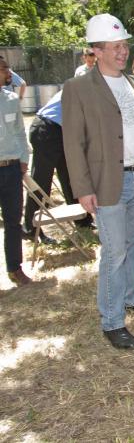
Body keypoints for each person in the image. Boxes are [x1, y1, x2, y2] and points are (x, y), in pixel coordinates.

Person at [62, 13, 134, 350]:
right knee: (114, 252)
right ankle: (111, 320)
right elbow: (73, 142)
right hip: (109, 183)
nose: (123, 52)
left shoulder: (132, 83)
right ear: (97, 51)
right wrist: (83, 189)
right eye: (115, 47)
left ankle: (132, 297)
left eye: (124, 46)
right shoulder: (78, 89)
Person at [23, 89, 94, 245]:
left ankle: (82, 220)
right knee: (41, 182)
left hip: (61, 131)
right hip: (47, 129)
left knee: (72, 177)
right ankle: (30, 229)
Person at [0, 57, 32, 286]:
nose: (7, 72)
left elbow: (20, 132)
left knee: (13, 220)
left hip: (11, 168)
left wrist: (23, 160)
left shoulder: (11, 99)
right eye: (4, 68)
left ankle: (15, 268)